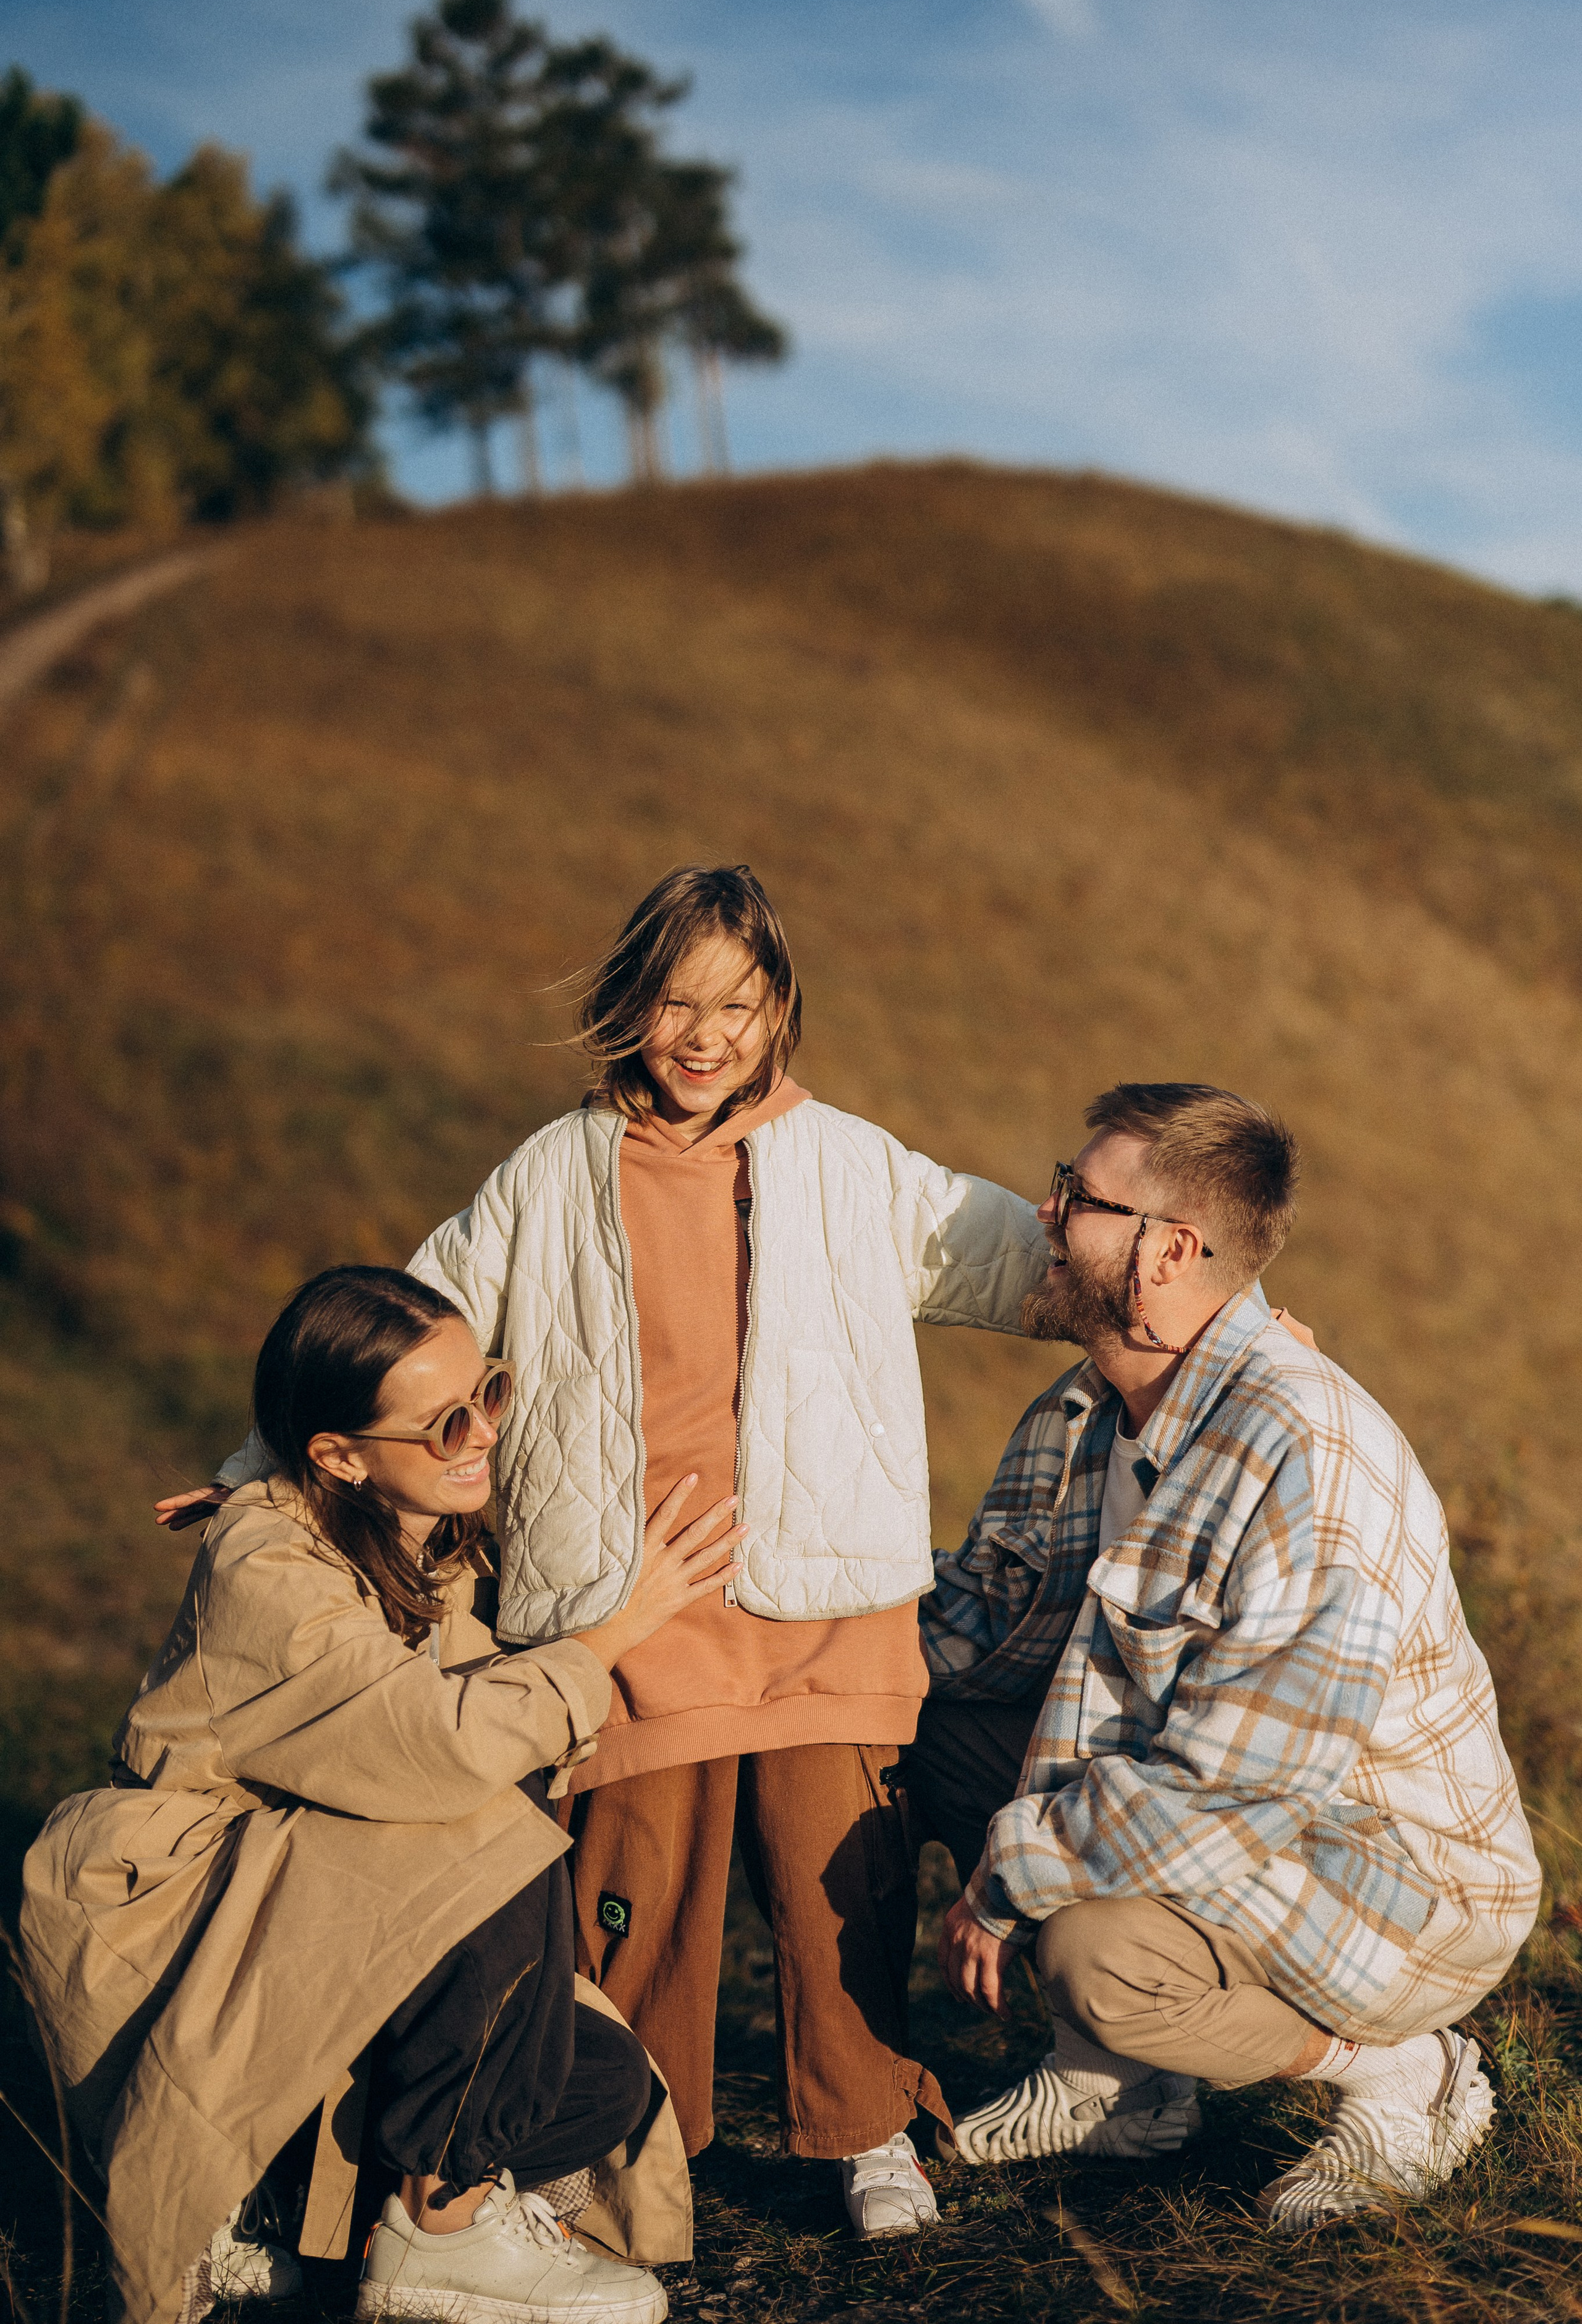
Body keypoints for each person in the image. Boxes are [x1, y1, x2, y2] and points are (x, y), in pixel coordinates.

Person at [164, 863, 1052, 2238]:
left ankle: (868, 2125)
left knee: (843, 1874)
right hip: (632, 1594)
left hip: (823, 1593)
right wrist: (261, 1474)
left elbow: (1033, 1262)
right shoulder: (548, 1172)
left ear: (780, 1011)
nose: (706, 1035)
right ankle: (631, 2132)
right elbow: (408, 1329)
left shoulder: (855, 1162)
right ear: (626, 1004)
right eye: (675, 1002)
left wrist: (1217, 1313)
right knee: (634, 1886)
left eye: (740, 1006)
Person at [23, 1265, 743, 2324]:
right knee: (488, 1834)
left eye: (488, 1394)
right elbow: (439, 1746)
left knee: (600, 2089)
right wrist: (614, 1635)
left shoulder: (415, 1532)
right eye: (444, 1424)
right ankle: (432, 2233)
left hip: (314, 1892)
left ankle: (319, 2216)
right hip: (187, 1904)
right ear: (338, 1457)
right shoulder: (269, 1566)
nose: (483, 1435)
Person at [909, 1083, 1541, 2231]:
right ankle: (1127, 2090)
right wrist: (788, 1644)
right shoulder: (1088, 1414)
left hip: (1395, 1877)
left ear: (1168, 1253)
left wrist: (1010, 1882)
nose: (1043, 1215)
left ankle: (1397, 2072)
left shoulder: (1308, 1462)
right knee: (928, 1732)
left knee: (1095, 1955)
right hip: (1234, 1818)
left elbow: (1232, 1795)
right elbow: (990, 1631)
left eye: (1076, 1198)